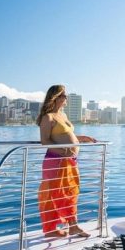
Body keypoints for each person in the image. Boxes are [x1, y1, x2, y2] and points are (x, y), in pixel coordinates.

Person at [36, 84, 96, 238]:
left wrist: (82, 138)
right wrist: (64, 151)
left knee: (70, 192)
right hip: (56, 161)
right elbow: (45, 141)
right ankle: (55, 229)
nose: (66, 98)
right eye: (64, 95)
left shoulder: (62, 115)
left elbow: (68, 135)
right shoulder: (48, 117)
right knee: (55, 194)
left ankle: (68, 227)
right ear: (55, 98)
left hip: (69, 161)